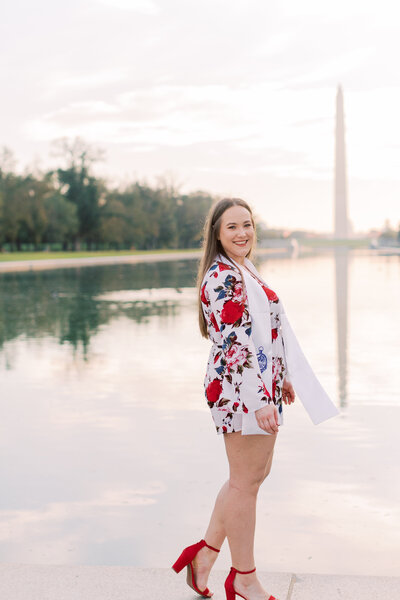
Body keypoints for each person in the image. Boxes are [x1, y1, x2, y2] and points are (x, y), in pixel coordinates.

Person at [172, 198, 338, 600]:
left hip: (260, 384)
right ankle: (243, 576)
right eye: (232, 227)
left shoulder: (244, 268)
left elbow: (265, 330)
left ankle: (205, 556)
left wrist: (281, 379)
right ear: (216, 233)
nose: (242, 232)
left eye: (247, 224)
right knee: (244, 483)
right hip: (239, 389)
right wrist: (259, 400)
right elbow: (235, 346)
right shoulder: (221, 277)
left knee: (250, 479)